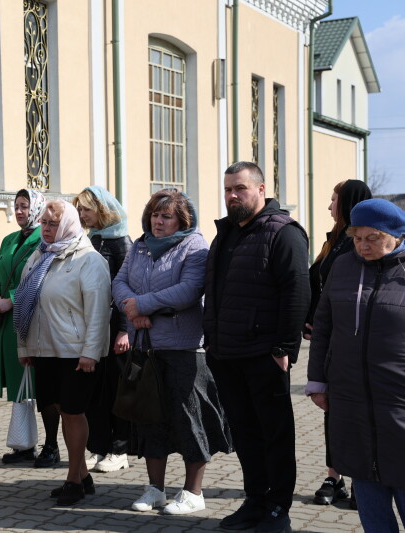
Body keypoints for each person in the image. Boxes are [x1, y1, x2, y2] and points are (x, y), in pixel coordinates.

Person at [203, 162, 310, 533]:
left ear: (261, 189)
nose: (233, 196)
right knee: (245, 433)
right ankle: (255, 500)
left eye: (241, 188)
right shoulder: (226, 233)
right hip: (226, 353)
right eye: (228, 189)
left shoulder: (284, 232)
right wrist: (212, 341)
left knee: (275, 434)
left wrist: (284, 347)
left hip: (265, 354)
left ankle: (279, 507)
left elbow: (297, 291)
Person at [112, 189, 232, 514]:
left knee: (189, 420)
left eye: (166, 216)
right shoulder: (139, 246)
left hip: (184, 349)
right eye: (155, 214)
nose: (158, 221)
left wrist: (143, 304)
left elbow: (189, 290)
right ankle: (155, 490)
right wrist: (134, 310)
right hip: (146, 348)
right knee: (150, 419)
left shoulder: (195, 246)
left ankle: (193, 492)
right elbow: (119, 283)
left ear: (182, 220)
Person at [307, 198, 405, 533]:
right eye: (357, 237)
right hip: (350, 399)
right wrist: (317, 380)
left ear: (395, 235)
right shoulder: (343, 266)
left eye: (372, 238)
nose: (362, 246)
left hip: (398, 401)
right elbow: (323, 326)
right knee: (366, 485)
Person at [14, 199, 111, 506]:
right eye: (43, 222)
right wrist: (25, 346)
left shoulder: (89, 260)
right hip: (45, 349)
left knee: (73, 411)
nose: (46, 229)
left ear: (68, 224)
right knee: (58, 408)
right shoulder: (40, 255)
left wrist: (90, 352)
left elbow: (98, 312)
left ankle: (73, 481)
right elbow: (26, 303)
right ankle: (82, 475)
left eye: (53, 224)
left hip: (75, 352)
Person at [303, 179, 371, 506]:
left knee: (361, 413)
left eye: (334, 200)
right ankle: (335, 475)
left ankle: (362, 480)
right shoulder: (334, 240)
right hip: (329, 340)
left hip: (356, 342)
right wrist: (309, 318)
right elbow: (316, 283)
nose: (330, 205)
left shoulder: (360, 245)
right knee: (333, 411)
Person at [0, 189, 59, 467]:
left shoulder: (45, 239)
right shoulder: (8, 240)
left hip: (32, 321)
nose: (18, 211)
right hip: (8, 324)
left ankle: (51, 445)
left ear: (37, 209)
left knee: (42, 387)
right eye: (16, 206)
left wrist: (12, 300)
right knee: (21, 387)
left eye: (24, 206)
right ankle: (24, 444)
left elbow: (43, 280)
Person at [73, 186, 132, 473]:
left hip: (114, 329)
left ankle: (119, 450)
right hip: (93, 327)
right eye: (79, 210)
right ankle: (99, 446)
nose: (82, 214)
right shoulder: (91, 240)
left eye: (87, 209)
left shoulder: (122, 243)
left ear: (102, 210)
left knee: (116, 391)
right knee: (95, 391)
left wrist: (124, 330)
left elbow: (127, 289)